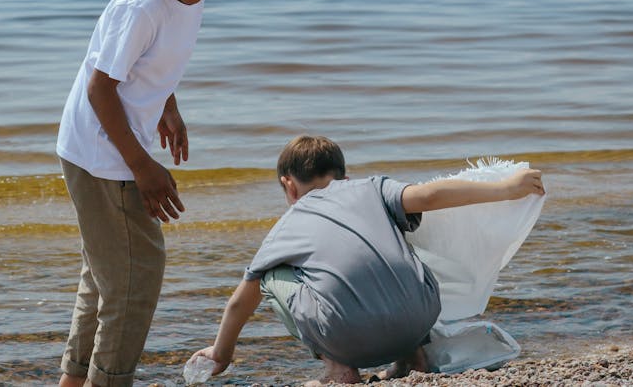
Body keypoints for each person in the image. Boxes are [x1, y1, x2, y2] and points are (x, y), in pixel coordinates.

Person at [188, 135, 545, 385]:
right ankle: (413, 357)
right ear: (345, 175)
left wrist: (222, 354)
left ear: (288, 186)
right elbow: (431, 194)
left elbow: (240, 301)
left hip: (349, 340)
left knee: (267, 275)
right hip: (419, 317)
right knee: (397, 241)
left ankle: (339, 370)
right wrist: (507, 189)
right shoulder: (372, 188)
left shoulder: (288, 225)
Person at [55, 0, 233, 387]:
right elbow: (100, 86)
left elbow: (146, 63)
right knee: (134, 280)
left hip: (105, 147)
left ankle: (74, 381)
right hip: (102, 156)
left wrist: (167, 104)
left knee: (105, 277)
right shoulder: (142, 6)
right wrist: (144, 167)